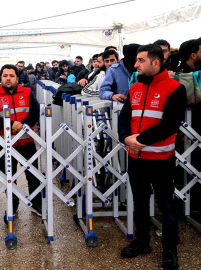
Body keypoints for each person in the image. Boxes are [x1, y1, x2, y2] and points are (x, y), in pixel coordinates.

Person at [118, 44, 186, 270]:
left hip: (161, 159)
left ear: (155, 62)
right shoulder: (135, 88)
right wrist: (125, 138)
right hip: (136, 158)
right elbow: (124, 117)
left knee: (166, 205)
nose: (135, 64)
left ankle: (169, 249)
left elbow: (170, 124)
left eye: (140, 60)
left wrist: (139, 140)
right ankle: (142, 241)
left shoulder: (175, 88)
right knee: (139, 202)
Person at [0, 64, 42, 216]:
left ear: (17, 78)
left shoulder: (27, 92)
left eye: (11, 75)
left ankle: (36, 203)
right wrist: (11, 124)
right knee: (8, 177)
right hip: (5, 144)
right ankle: (13, 204)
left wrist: (22, 125)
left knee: (33, 175)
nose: (8, 78)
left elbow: (35, 111)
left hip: (26, 141)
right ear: (1, 78)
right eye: (5, 76)